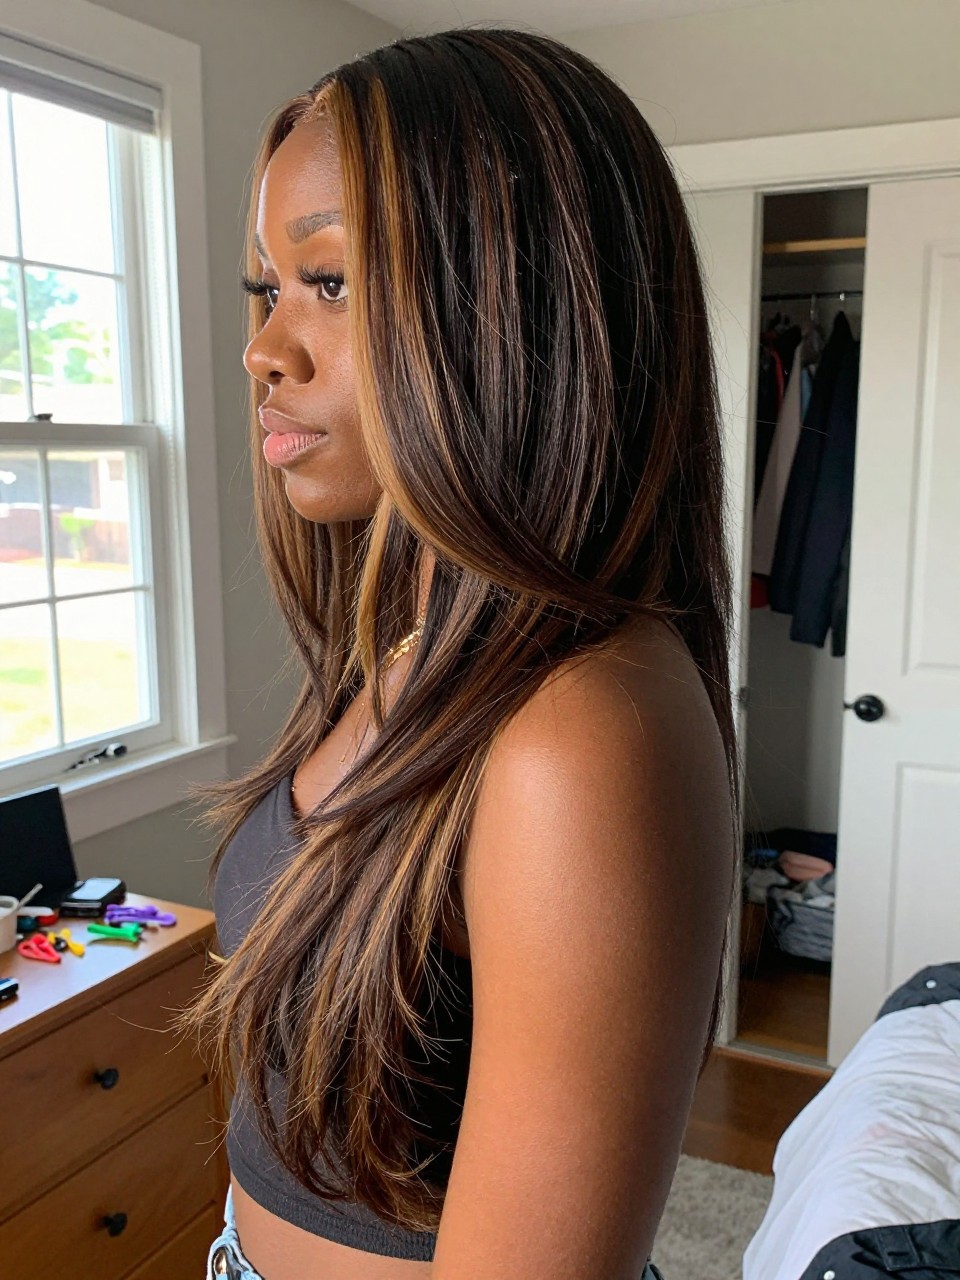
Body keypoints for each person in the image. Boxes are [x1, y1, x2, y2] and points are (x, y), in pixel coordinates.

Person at [179, 26, 739, 1280]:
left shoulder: (577, 728)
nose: (267, 348)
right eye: (264, 289)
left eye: (328, 281)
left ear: (512, 302)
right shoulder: (422, 643)